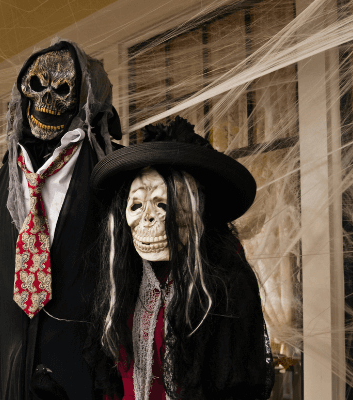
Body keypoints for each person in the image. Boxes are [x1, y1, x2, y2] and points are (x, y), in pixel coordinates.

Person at [88, 117, 274, 399]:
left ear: (197, 211)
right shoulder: (124, 278)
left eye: (164, 204)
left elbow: (239, 382)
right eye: (136, 205)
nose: (148, 217)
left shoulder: (227, 283)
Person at [0, 39, 122, 399]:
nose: (45, 101)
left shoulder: (115, 185)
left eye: (62, 91)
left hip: (81, 377)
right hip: (6, 379)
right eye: (36, 86)